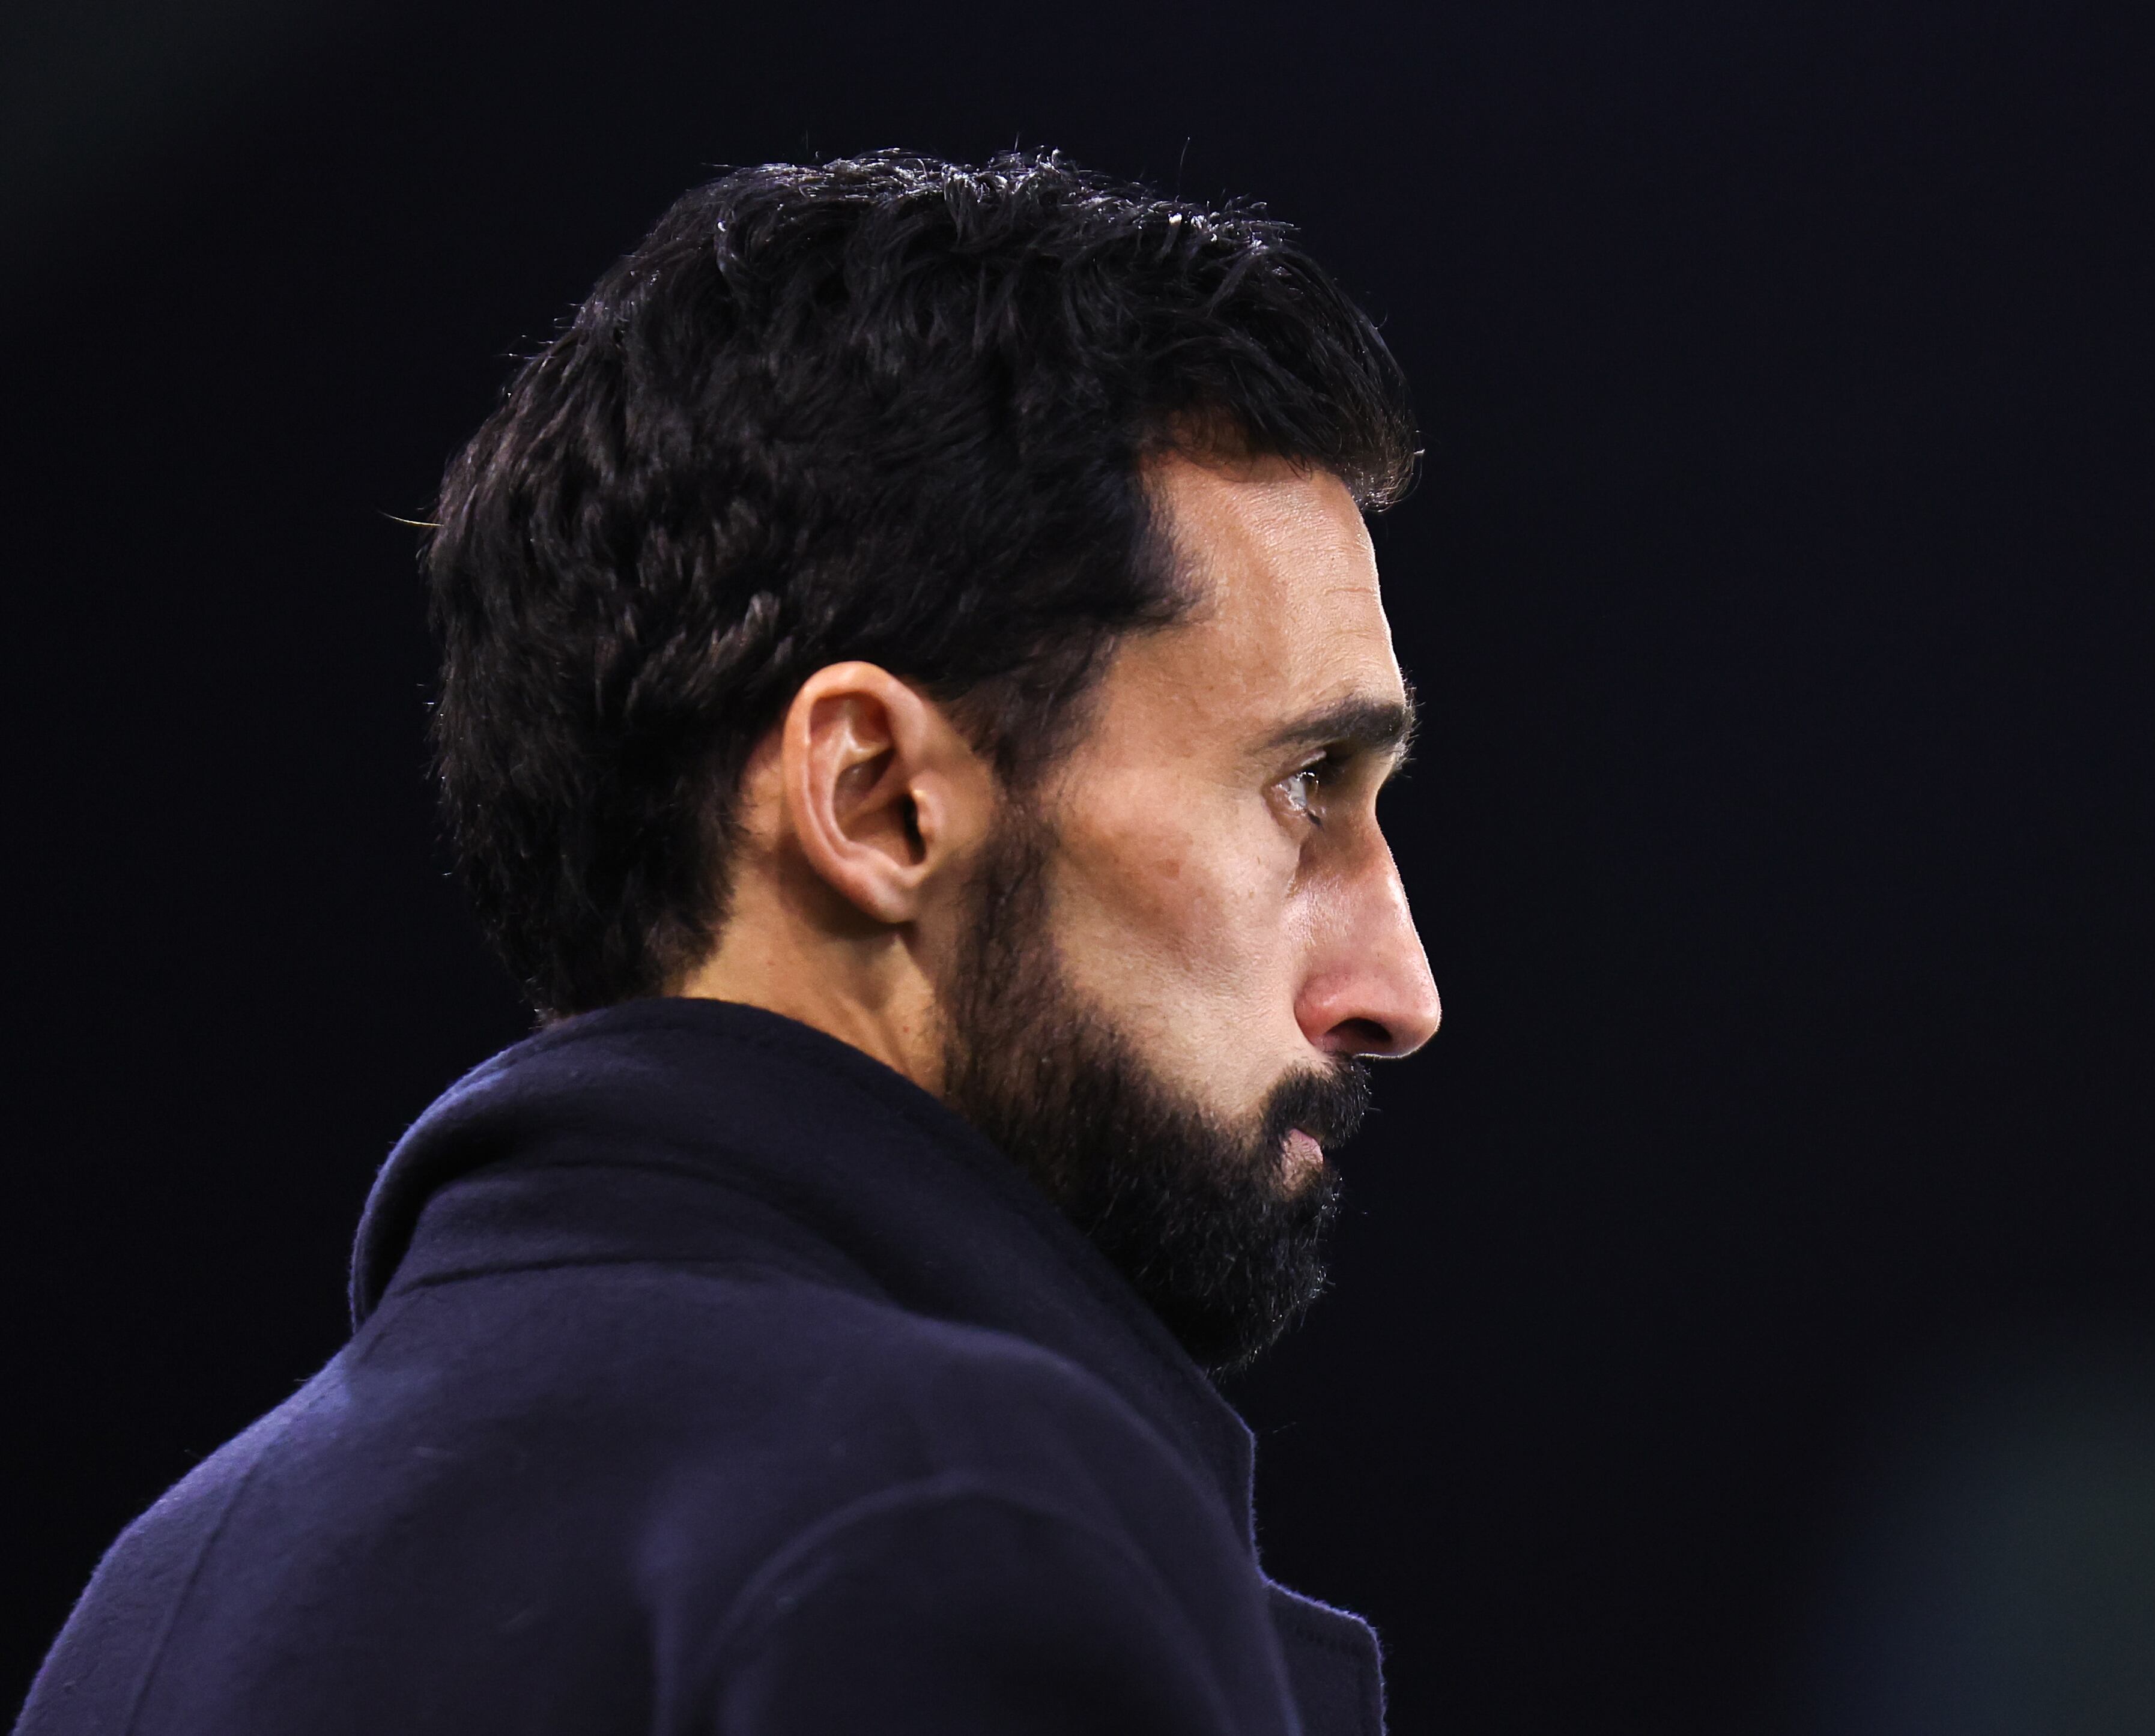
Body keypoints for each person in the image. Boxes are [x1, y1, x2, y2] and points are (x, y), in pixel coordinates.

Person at [19, 151, 1440, 1736]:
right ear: (879, 800)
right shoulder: (955, 1525)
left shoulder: (160, 1595)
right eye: (1306, 785)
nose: (1401, 992)